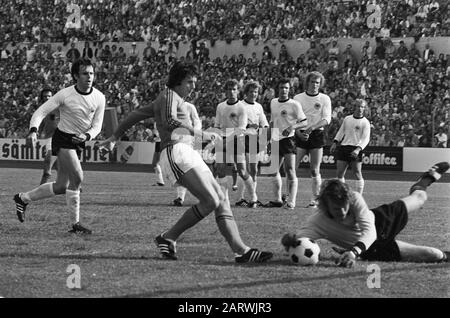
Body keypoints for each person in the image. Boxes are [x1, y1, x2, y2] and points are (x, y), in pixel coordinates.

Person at [100, 62, 272, 263]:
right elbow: (171, 122)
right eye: (189, 82)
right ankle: (168, 237)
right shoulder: (168, 96)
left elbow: (135, 115)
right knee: (210, 200)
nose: (193, 86)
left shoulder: (169, 99)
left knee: (220, 198)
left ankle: (242, 251)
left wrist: (115, 137)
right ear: (178, 81)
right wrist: (201, 133)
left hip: (187, 151)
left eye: (194, 82)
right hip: (175, 151)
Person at [282, 161, 450, 267]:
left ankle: (425, 179)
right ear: (326, 206)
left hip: (379, 221)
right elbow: (299, 240)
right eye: (335, 208)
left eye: (344, 207)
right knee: (434, 255)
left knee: (420, 197)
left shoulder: (354, 197)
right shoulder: (318, 221)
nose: (341, 212)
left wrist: (353, 252)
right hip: (374, 249)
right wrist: (290, 242)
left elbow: (370, 231)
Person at [14, 58, 106, 234]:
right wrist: (33, 130)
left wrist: (87, 136)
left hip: (79, 142)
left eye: (91, 73)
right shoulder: (65, 94)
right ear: (75, 76)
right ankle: (76, 225)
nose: (89, 77)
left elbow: (97, 126)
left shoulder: (100, 97)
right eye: (85, 73)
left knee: (61, 186)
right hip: (63, 139)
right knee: (78, 177)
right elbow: (40, 112)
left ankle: (22, 198)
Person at [214, 79, 259, 208]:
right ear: (225, 91)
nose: (231, 92)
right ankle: (224, 200)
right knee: (220, 169)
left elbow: (241, 128)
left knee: (242, 171)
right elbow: (217, 125)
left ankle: (253, 197)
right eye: (228, 89)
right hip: (222, 139)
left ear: (238, 91)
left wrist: (226, 139)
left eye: (234, 89)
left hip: (237, 140)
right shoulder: (220, 106)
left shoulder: (241, 107)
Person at [264, 78, 307, 210]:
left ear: (289, 89)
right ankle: (277, 200)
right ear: (278, 89)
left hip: (289, 140)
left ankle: (291, 202)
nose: (284, 90)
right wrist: (267, 140)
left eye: (286, 88)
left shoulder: (294, 104)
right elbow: (272, 122)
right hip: (276, 140)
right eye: (282, 87)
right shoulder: (274, 102)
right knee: (273, 171)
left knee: (289, 170)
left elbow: (304, 122)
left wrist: (292, 127)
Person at [294, 71, 332, 208]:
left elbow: (327, 119)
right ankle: (289, 197)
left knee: (314, 170)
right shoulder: (298, 98)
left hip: (316, 135)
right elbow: (293, 119)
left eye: (317, 82)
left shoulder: (325, 98)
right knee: (292, 168)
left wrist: (312, 128)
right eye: (312, 82)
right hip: (300, 134)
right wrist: (298, 132)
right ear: (307, 82)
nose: (315, 85)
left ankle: (315, 200)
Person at [235, 81, 269, 207]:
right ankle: (240, 198)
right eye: (251, 92)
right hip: (242, 138)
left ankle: (251, 197)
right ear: (246, 92)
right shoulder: (240, 105)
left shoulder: (258, 106)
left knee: (253, 170)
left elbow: (264, 122)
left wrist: (264, 129)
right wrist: (248, 125)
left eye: (256, 92)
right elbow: (236, 122)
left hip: (254, 140)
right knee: (243, 170)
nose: (253, 94)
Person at [330, 98, 371, 194]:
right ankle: (342, 194)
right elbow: (341, 131)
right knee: (339, 173)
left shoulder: (365, 122)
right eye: (358, 106)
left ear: (364, 109)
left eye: (362, 107)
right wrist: (335, 142)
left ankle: (359, 196)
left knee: (357, 173)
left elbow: (366, 139)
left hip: (355, 149)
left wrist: (358, 149)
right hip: (344, 147)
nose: (360, 109)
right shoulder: (347, 119)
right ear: (354, 107)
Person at [173, 101, 202, 206]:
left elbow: (197, 121)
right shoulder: (170, 106)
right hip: (174, 138)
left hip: (188, 139)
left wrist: (194, 131)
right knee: (179, 167)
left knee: (186, 167)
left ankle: (181, 197)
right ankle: (180, 197)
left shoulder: (189, 106)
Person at [37, 88, 58, 185]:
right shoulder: (42, 108)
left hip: (58, 137)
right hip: (49, 138)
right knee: (57, 165)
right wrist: (37, 131)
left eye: (49, 96)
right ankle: (74, 185)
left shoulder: (58, 106)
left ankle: (40, 189)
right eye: (45, 96)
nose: (47, 98)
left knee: (47, 164)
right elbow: (42, 122)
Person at [151, 123, 165, 187]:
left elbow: (159, 134)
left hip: (160, 143)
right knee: (155, 163)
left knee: (156, 163)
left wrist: (153, 138)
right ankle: (160, 181)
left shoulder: (159, 121)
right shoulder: (156, 122)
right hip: (158, 143)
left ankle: (161, 181)